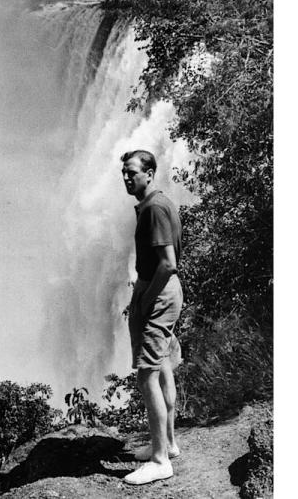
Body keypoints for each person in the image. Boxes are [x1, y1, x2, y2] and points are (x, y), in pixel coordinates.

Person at [119, 149, 184, 486]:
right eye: (124, 173)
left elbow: (168, 263)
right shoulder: (154, 204)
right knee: (161, 368)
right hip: (159, 288)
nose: (127, 178)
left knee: (147, 375)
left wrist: (144, 298)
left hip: (158, 290)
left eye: (132, 172)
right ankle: (168, 444)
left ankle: (160, 460)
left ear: (149, 173)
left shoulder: (155, 208)